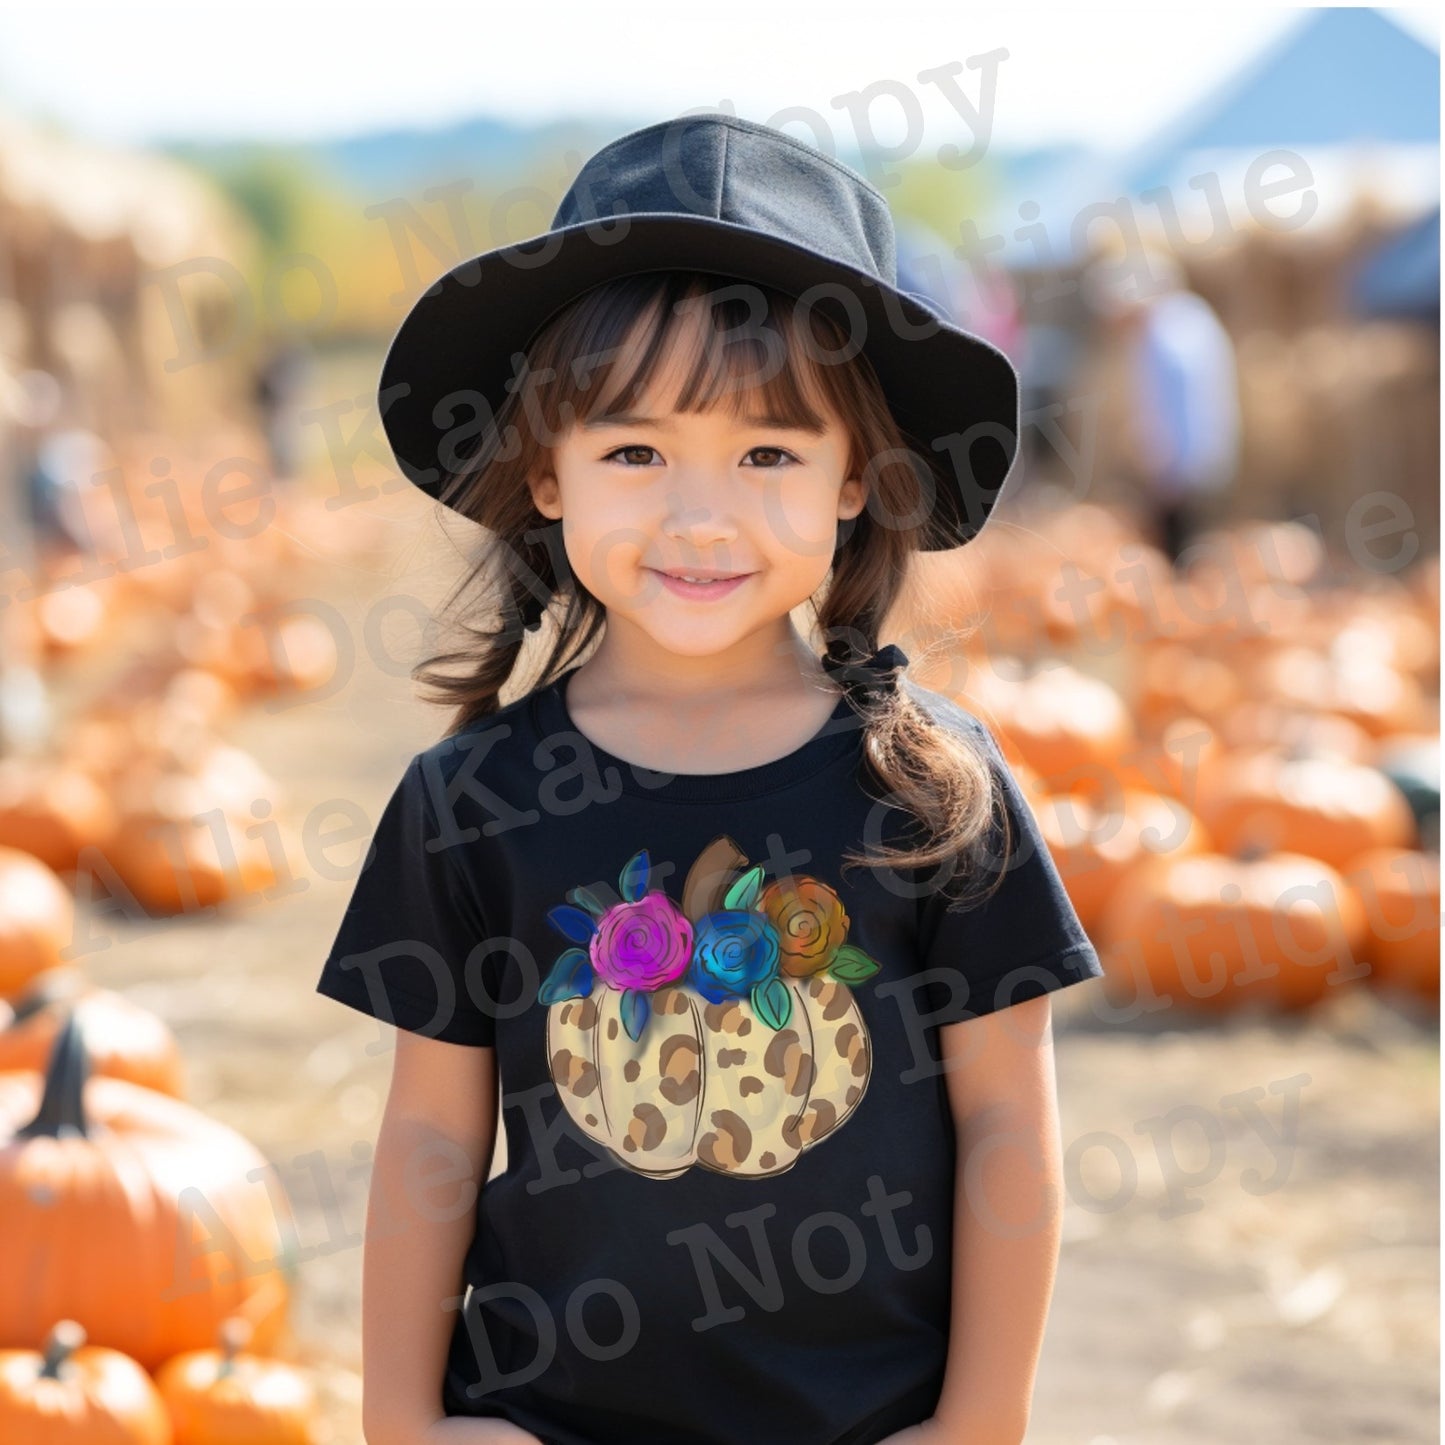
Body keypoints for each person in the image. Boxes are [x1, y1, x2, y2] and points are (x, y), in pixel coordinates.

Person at [315, 112, 1104, 1445]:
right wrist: (406, 1423)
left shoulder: (936, 791)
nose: (698, 514)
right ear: (545, 476)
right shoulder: (468, 803)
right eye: (633, 452)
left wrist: (979, 1424)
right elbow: (431, 1146)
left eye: (768, 455)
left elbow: (1008, 1132)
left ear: (855, 480)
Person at [1082, 245, 1241, 566]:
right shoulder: (1188, 318)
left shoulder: (1164, 336)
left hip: (1184, 467)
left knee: (1183, 550)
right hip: (1201, 458)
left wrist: (1170, 470)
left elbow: (1179, 406)